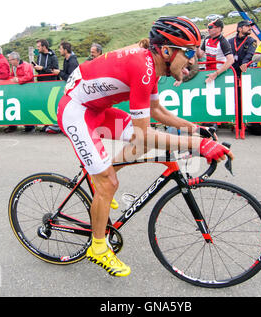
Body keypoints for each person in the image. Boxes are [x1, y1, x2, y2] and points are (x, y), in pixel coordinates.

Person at [57, 16, 233, 277]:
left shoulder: (152, 65)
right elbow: (143, 135)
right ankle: (97, 246)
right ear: (166, 50)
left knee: (133, 151)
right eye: (188, 53)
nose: (193, 61)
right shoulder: (143, 66)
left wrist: (196, 129)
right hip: (76, 112)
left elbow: (157, 111)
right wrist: (199, 145)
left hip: (97, 110)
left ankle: (101, 173)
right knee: (110, 182)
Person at [44, 42, 80, 135]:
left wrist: (59, 73)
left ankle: (71, 129)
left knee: (71, 110)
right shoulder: (66, 59)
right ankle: (66, 128)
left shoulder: (72, 62)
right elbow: (66, 73)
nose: (59, 51)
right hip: (70, 90)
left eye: (60, 49)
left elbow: (71, 78)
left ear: (65, 50)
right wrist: (59, 71)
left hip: (74, 90)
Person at [228, 20, 257, 131]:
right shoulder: (230, 41)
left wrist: (245, 62)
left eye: (250, 26)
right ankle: (234, 123)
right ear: (240, 28)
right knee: (233, 99)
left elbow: (250, 53)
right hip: (231, 74)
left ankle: (243, 123)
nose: (250, 28)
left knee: (243, 99)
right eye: (247, 26)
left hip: (244, 73)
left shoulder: (251, 41)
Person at [196, 18, 234, 84]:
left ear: (219, 29)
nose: (208, 29)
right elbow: (200, 55)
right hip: (208, 71)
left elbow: (231, 60)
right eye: (208, 27)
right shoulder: (207, 39)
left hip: (220, 74)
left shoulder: (223, 41)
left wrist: (216, 73)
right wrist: (197, 45)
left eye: (210, 27)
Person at [5, 52, 35, 133]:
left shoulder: (26, 65)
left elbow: (29, 76)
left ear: (15, 60)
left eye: (10, 60)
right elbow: (12, 75)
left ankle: (30, 127)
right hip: (19, 90)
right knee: (21, 108)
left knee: (27, 107)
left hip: (27, 90)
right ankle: (25, 126)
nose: (9, 61)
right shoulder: (14, 67)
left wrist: (18, 80)